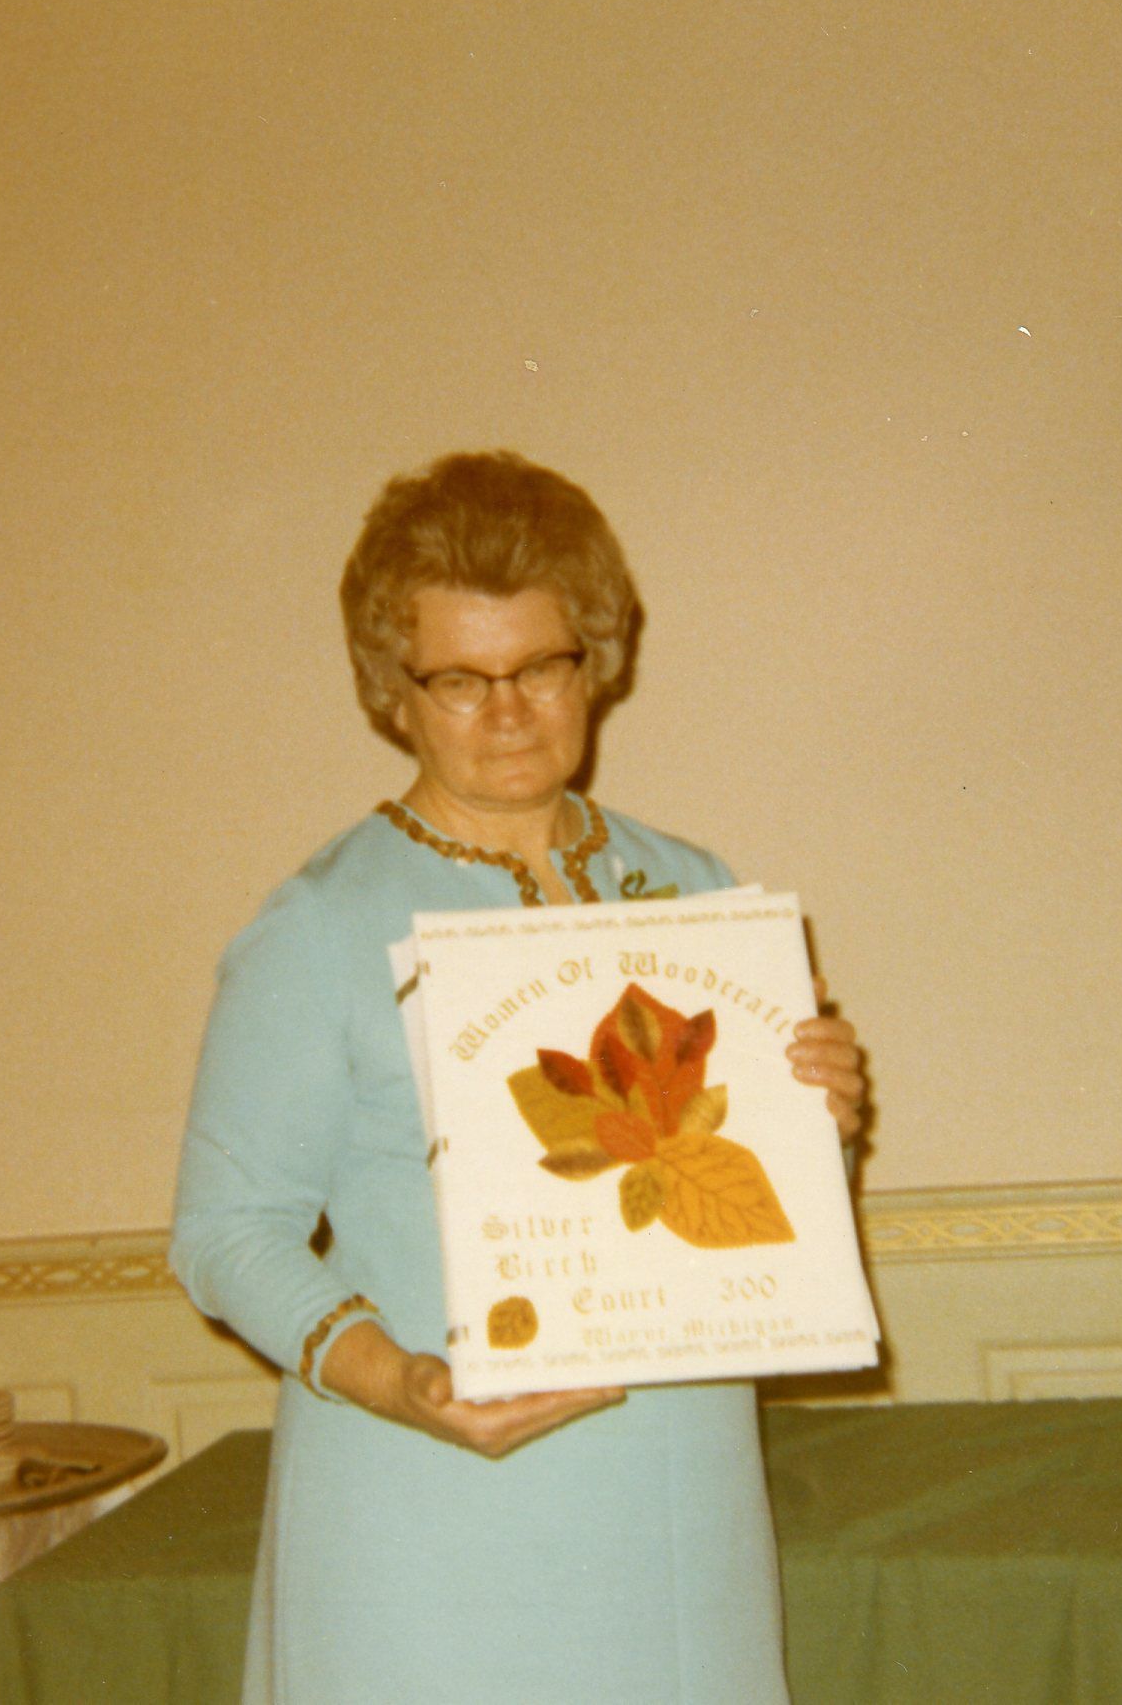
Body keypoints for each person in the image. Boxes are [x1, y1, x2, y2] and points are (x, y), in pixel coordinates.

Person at [170, 450, 867, 1703]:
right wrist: (400, 1379)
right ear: (394, 690)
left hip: (675, 1504)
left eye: (539, 666)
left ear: (593, 659)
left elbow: (750, 1191)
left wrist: (820, 1110)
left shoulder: (695, 887)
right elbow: (227, 1231)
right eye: (458, 679)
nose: (506, 713)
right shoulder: (320, 924)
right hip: (434, 1497)